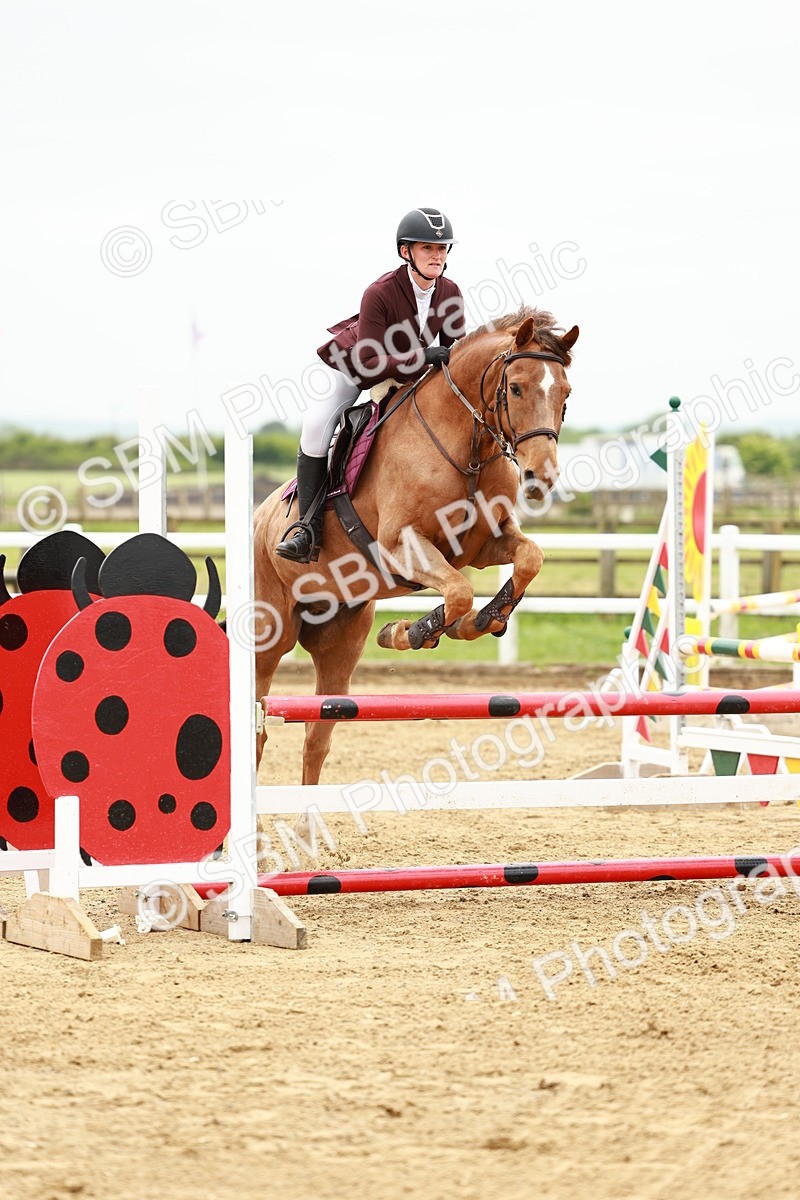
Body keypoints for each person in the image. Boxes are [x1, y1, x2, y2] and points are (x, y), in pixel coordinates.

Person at [275, 207, 466, 562]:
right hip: (351, 367)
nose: (436, 255)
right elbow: (368, 364)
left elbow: (453, 352)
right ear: (405, 251)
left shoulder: (450, 292)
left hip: (405, 373)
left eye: (442, 248)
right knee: (316, 429)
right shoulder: (379, 292)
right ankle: (307, 530)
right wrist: (424, 356)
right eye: (427, 248)